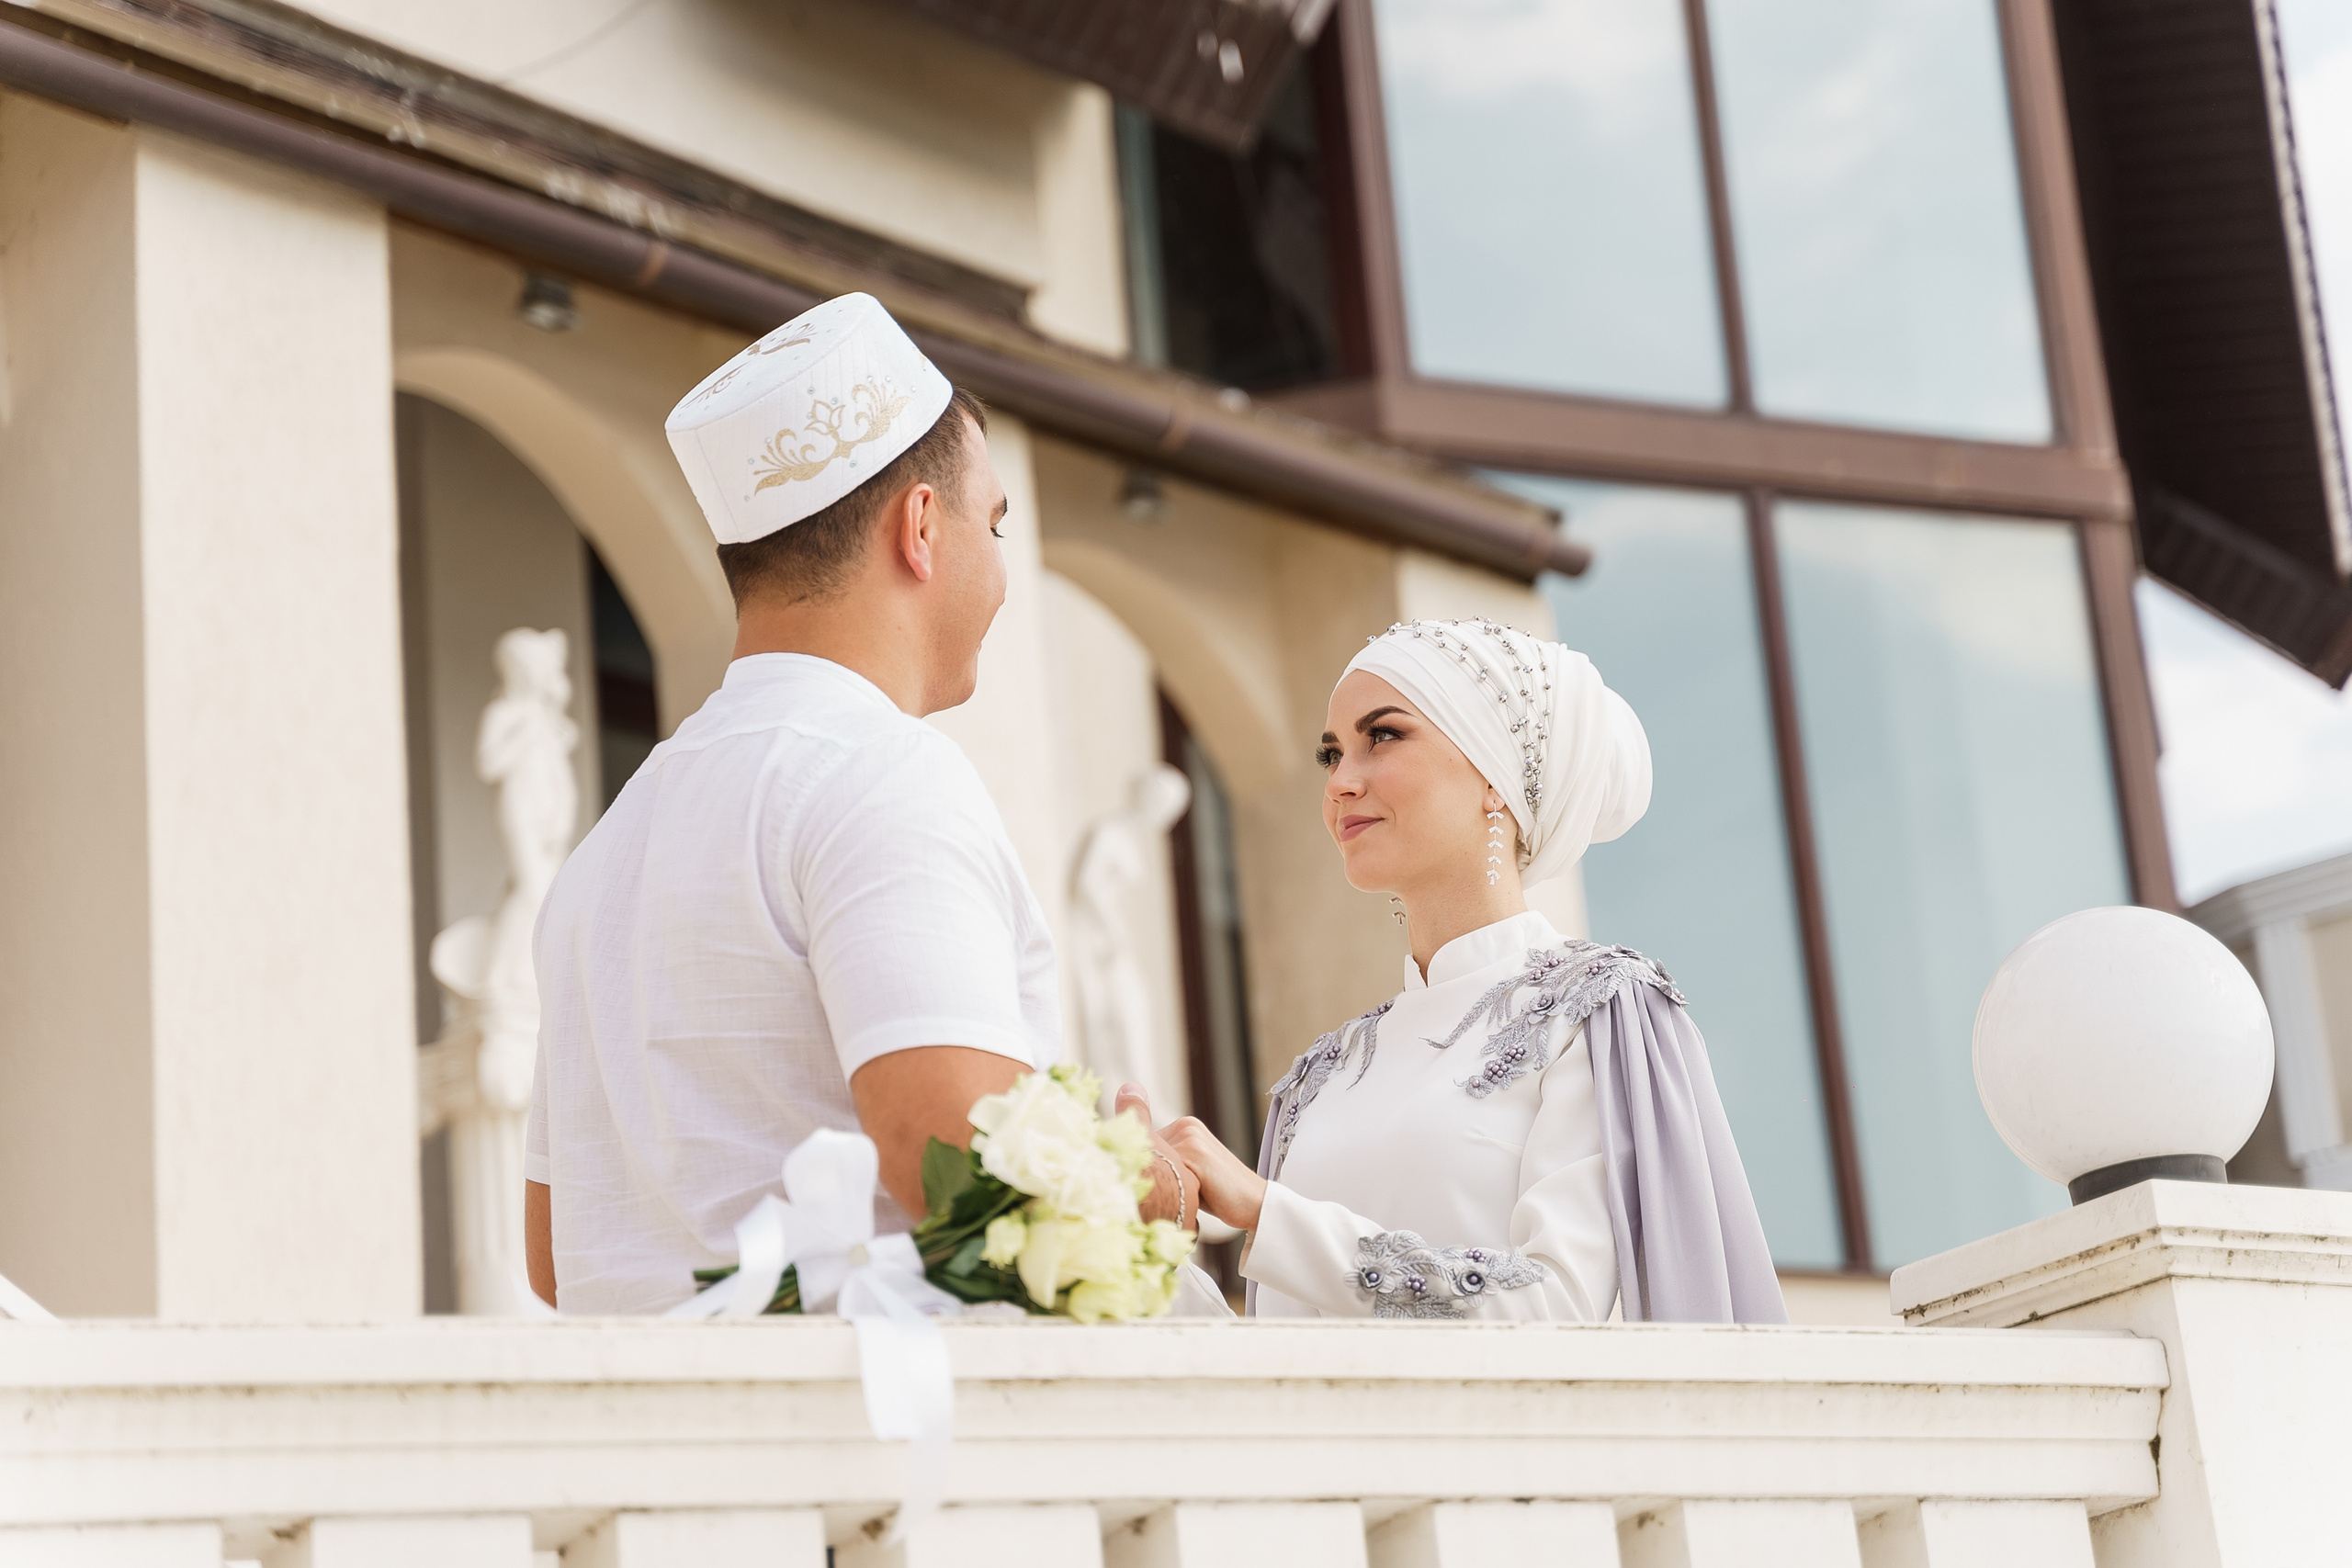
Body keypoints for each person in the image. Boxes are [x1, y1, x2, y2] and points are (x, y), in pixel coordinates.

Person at [523, 292, 1193, 1314]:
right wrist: (1138, 1182)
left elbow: (554, 1249)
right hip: (871, 1447)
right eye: (996, 523)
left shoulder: (608, 846)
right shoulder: (878, 772)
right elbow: (943, 1151)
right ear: (920, 527)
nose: (1005, 573)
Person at [1150, 618, 1785, 1323]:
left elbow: (1556, 1306)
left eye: (1381, 735)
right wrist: (1135, 1251)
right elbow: (1279, 1356)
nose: (1340, 783)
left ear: (1495, 774)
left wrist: (1265, 1209)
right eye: (1330, 754)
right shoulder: (1319, 1076)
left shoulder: (1594, 1009)